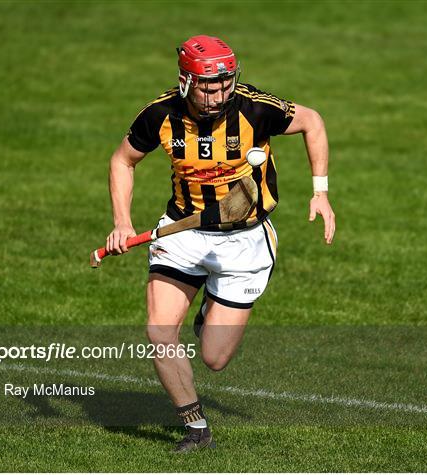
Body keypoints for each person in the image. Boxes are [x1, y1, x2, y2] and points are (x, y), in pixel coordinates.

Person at [106, 35, 335, 452]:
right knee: (160, 332)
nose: (217, 94)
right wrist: (122, 222)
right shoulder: (160, 115)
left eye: (224, 84)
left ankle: (211, 305)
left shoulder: (254, 108)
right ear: (185, 81)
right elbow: (123, 160)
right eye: (208, 86)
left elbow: (313, 121)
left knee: (214, 358)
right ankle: (195, 427)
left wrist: (320, 192)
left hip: (244, 242)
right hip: (183, 231)